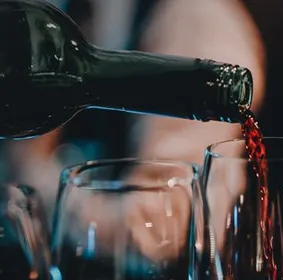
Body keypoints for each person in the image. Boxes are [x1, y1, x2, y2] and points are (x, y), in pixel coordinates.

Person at [0, 0, 267, 219]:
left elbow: (156, 229)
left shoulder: (195, 19)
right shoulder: (82, 16)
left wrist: (30, 170)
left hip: (176, 279)